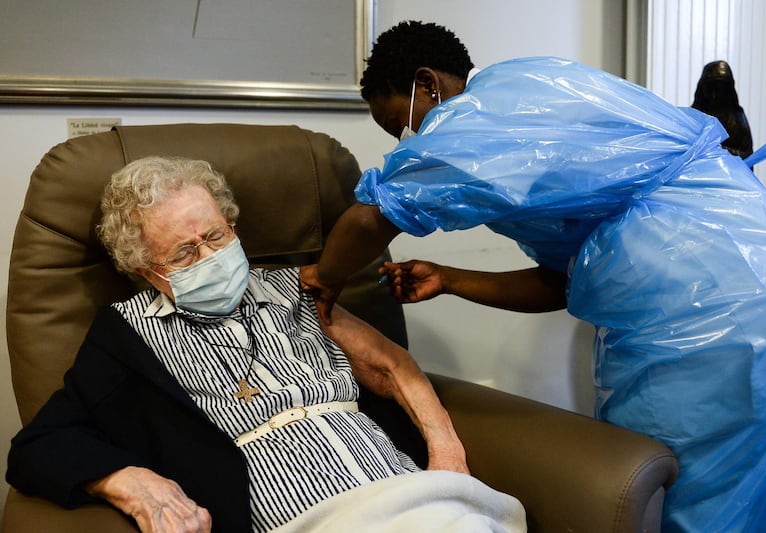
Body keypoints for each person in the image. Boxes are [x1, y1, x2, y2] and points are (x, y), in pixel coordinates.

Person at [299, 20, 766, 533]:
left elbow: (369, 217)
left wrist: (322, 279)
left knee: (691, 493)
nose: (408, 143)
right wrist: (448, 278)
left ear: (428, 84)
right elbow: (564, 283)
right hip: (764, 267)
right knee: (757, 480)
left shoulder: (482, 115)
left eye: (399, 125)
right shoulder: (533, 92)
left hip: (704, 309)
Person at [6, 156, 526, 532]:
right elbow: (40, 446)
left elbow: (391, 366)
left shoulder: (296, 288)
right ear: (147, 270)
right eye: (185, 253)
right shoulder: (125, 336)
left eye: (216, 236)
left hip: (410, 493)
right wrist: (130, 481)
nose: (210, 256)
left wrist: (445, 450)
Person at [691, 60, 754, 160]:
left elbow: (748, 154)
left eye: (722, 85)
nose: (715, 93)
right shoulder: (693, 116)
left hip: (728, 172)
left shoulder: (737, 117)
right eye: (711, 85)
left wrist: (724, 151)